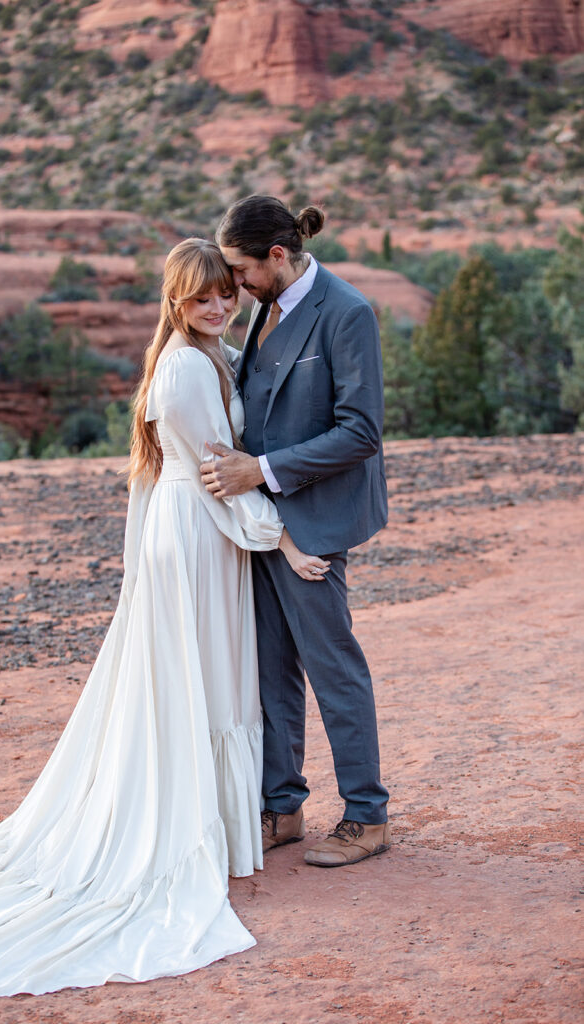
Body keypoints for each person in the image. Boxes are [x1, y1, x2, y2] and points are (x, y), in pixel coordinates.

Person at [0, 238, 327, 999]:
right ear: (174, 301)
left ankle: (226, 829)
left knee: (203, 679)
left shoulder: (200, 355)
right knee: (202, 680)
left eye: (225, 293)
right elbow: (216, 477)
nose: (220, 306)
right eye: (202, 298)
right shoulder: (188, 367)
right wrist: (288, 541)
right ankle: (194, 833)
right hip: (199, 535)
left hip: (192, 535)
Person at [200, 196, 391, 868]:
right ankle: (281, 808)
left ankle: (367, 817)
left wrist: (261, 469)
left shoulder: (347, 313)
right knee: (270, 669)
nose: (234, 285)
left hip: (315, 519)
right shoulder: (262, 309)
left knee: (332, 667)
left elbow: (360, 431)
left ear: (276, 257)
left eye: (240, 270)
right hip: (262, 524)